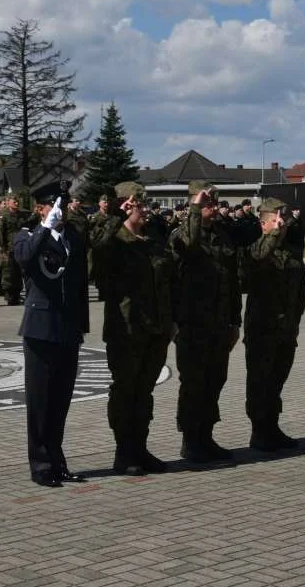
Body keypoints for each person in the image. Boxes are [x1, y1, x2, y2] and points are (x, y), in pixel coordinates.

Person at [92, 181, 174, 475]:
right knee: (125, 392)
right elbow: (96, 262)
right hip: (126, 330)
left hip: (156, 329)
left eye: (144, 203)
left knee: (144, 393)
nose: (145, 209)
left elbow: (168, 281)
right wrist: (114, 218)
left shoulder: (152, 238)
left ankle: (140, 448)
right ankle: (124, 452)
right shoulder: (114, 241)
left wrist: (170, 323)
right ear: (126, 205)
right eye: (139, 203)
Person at [15, 181, 90, 488]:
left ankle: (57, 461)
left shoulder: (72, 237)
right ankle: (41, 464)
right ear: (40, 208)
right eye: (52, 206)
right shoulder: (27, 235)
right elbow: (24, 258)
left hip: (67, 328)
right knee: (40, 401)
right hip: (41, 330)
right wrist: (44, 226)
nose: (59, 211)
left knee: (60, 401)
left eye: (63, 205)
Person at [169, 180, 242, 463]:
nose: (213, 207)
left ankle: (206, 436)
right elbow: (188, 243)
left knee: (215, 381)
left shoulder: (222, 237)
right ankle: (190, 440)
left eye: (214, 203)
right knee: (194, 383)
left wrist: (235, 321)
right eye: (206, 203)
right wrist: (196, 210)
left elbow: (232, 282)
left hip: (219, 322)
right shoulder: (181, 234)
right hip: (192, 324)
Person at [243, 197, 305, 452]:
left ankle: (272, 426)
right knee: (260, 382)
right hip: (262, 330)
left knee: (276, 382)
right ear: (263, 224)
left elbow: (300, 292)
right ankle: (259, 431)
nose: (283, 225)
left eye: (285, 221)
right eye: (276, 221)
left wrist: (294, 321)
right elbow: (256, 260)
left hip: (286, 330)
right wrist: (271, 236)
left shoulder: (290, 254)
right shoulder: (256, 250)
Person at [0, 193, 31, 305]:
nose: (17, 203)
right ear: (7, 203)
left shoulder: (21, 215)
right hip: (8, 249)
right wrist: (2, 249)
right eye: (14, 202)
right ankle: (9, 295)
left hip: (19, 247)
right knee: (8, 273)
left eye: (17, 202)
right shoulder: (3, 215)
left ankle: (17, 294)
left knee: (18, 273)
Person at [87, 194, 111, 300]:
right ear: (99, 203)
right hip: (97, 247)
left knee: (106, 270)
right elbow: (90, 231)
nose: (106, 204)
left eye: (107, 202)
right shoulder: (95, 217)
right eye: (104, 202)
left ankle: (104, 292)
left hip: (109, 247)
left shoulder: (111, 216)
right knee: (94, 269)